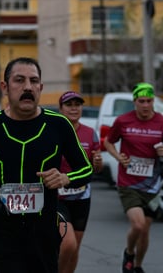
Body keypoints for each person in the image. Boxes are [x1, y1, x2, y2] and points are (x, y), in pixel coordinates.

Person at [0, 57, 93, 273]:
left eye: (34, 81)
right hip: (3, 230)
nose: (27, 87)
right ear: (4, 87)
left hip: (44, 229)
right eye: (19, 80)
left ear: (41, 87)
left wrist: (65, 178)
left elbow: (87, 169)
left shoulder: (58, 125)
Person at [103, 82, 163, 273]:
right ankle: (129, 252)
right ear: (134, 102)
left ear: (153, 102)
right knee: (138, 225)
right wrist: (117, 156)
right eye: (141, 101)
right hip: (128, 183)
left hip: (152, 185)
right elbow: (108, 141)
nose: (145, 105)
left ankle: (137, 266)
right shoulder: (123, 121)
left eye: (149, 101)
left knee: (145, 231)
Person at [56, 91, 103, 273]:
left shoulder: (90, 133)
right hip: (58, 197)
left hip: (82, 197)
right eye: (69, 104)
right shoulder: (54, 132)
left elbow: (95, 169)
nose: (74, 108)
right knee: (68, 243)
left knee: (75, 246)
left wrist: (98, 164)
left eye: (78, 104)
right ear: (61, 109)